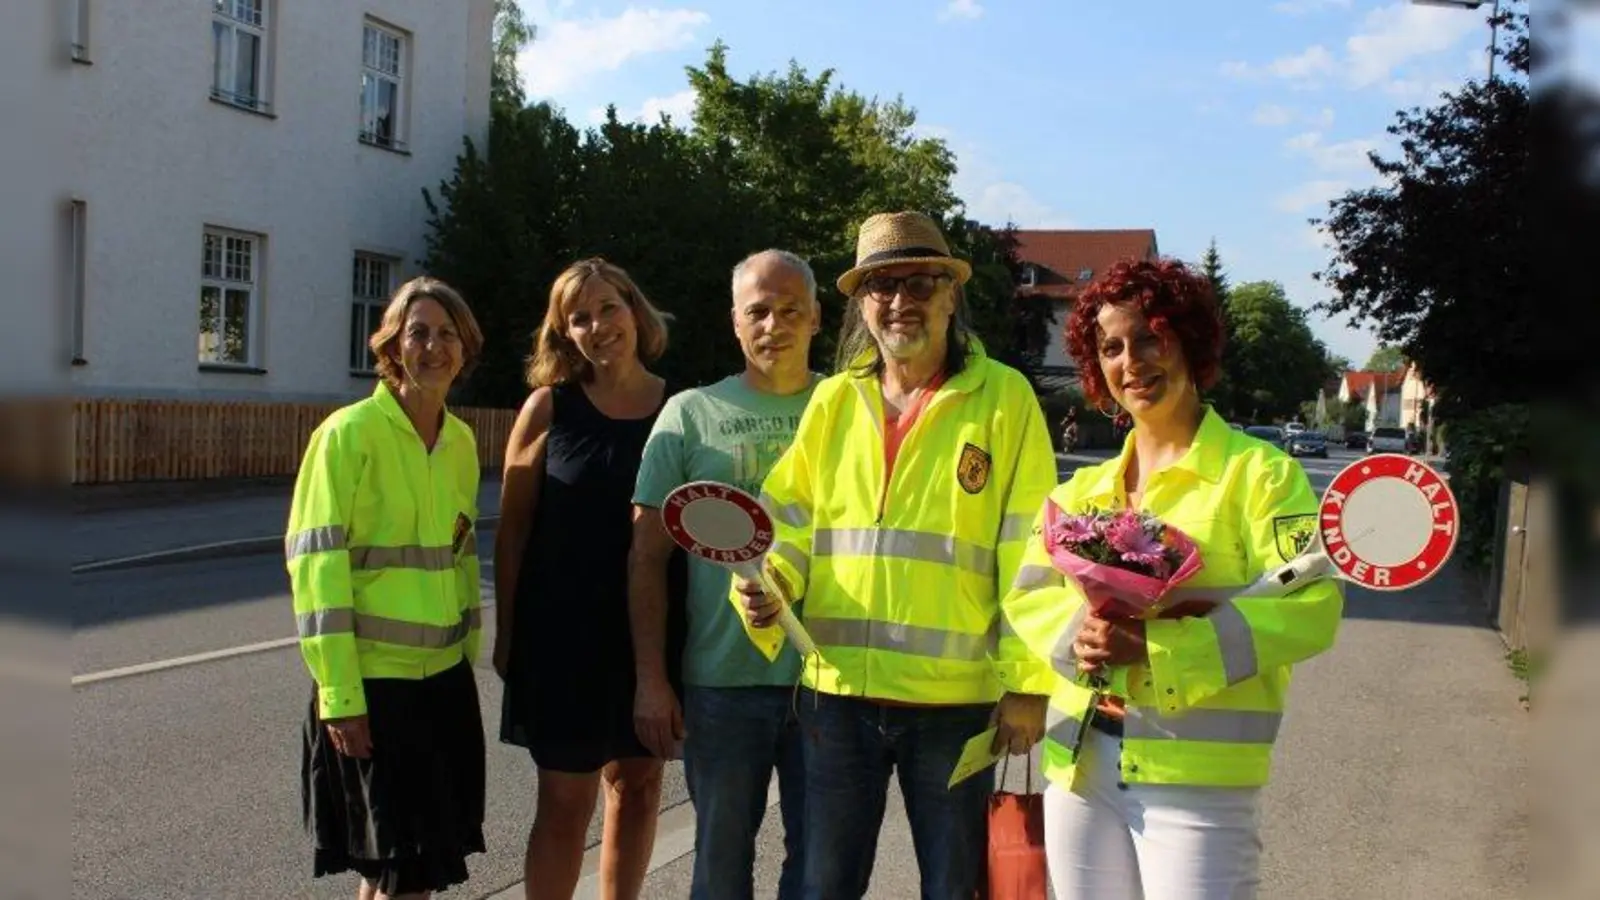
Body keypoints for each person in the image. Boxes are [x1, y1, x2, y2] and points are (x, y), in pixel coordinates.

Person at [736, 211, 1060, 899]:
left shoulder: (1003, 398)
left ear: (949, 293)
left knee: (952, 887)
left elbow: (1034, 548)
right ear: (860, 302)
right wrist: (771, 585)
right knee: (824, 886)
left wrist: (1028, 683)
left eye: (918, 282)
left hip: (955, 702)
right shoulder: (834, 400)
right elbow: (789, 521)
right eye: (881, 285)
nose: (899, 300)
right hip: (838, 697)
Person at [1000, 258, 1345, 899]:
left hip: (1198, 780)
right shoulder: (1081, 490)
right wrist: (1081, 637)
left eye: (1149, 337)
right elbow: (1028, 590)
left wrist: (1156, 651)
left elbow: (1312, 605)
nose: (1131, 361)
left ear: (1186, 340)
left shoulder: (1260, 476)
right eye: (1111, 347)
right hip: (1079, 765)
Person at [629, 249, 822, 900]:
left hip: (831, 681)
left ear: (818, 318)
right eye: (758, 311)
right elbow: (646, 558)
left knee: (822, 868)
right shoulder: (689, 414)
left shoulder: (851, 410)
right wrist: (652, 681)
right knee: (719, 865)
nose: (774, 324)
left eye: (790, 308)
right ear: (734, 323)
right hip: (719, 685)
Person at [290, 276, 488, 900]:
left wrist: (466, 657)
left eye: (446, 334)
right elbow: (317, 572)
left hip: (444, 682)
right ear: (390, 346)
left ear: (465, 348)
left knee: (407, 872)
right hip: (376, 687)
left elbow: (458, 556)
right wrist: (340, 695)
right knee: (400, 873)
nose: (433, 347)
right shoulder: (348, 436)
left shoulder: (459, 442)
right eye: (418, 333)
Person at [493, 257, 683, 900]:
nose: (599, 326)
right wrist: (508, 634)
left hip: (652, 637)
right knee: (565, 799)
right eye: (580, 318)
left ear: (635, 310)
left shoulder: (682, 409)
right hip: (561, 636)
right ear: (563, 334)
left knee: (639, 786)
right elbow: (512, 532)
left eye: (609, 308)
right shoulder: (548, 408)